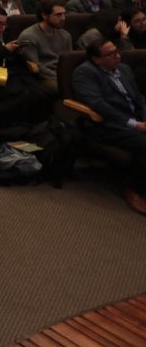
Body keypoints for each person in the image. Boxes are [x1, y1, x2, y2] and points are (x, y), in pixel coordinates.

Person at [73, 39, 146, 215]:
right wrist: (135, 125)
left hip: (134, 119)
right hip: (104, 124)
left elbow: (139, 98)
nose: (117, 56)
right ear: (96, 59)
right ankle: (134, 189)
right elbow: (98, 105)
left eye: (117, 51)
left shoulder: (124, 69)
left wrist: (143, 119)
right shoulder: (84, 73)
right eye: (111, 54)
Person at [18, 0, 71, 92]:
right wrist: (61, 78)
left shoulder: (65, 35)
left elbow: (69, 60)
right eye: (58, 15)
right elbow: (36, 66)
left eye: (64, 14)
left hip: (62, 73)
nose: (63, 18)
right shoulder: (29, 36)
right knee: (64, 88)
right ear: (44, 15)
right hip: (43, 76)